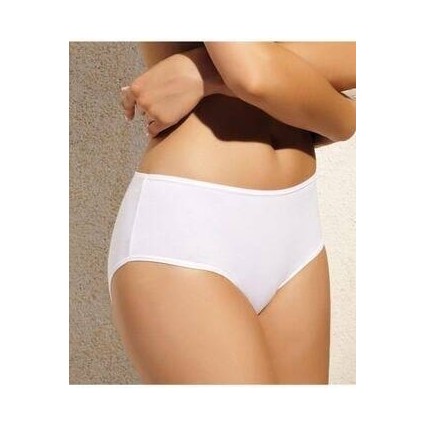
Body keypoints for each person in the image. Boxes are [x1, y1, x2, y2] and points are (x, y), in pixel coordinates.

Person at [107, 41, 356, 384]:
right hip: (190, 231)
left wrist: (202, 72)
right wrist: (339, 111)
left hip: (297, 230)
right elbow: (254, 75)